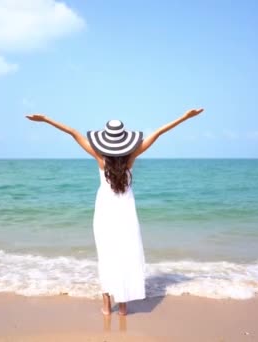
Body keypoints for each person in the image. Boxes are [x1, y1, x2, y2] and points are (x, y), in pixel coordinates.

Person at [25, 108, 204, 315]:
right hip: (126, 213)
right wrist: (184, 117)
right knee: (126, 256)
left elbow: (73, 132)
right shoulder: (131, 159)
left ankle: (106, 306)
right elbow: (158, 133)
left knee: (106, 256)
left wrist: (46, 119)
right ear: (124, 142)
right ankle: (124, 306)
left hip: (104, 213)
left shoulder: (100, 160)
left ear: (105, 142)